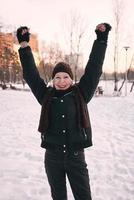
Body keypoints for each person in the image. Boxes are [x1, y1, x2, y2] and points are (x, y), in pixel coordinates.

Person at [16, 23, 111, 200]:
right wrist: (24, 45)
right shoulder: (46, 96)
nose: (61, 81)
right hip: (52, 158)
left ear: (71, 79)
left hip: (76, 157)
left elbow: (93, 69)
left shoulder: (81, 94)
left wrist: (101, 40)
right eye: (57, 77)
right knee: (58, 196)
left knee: (83, 196)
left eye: (65, 77)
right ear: (52, 80)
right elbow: (30, 74)